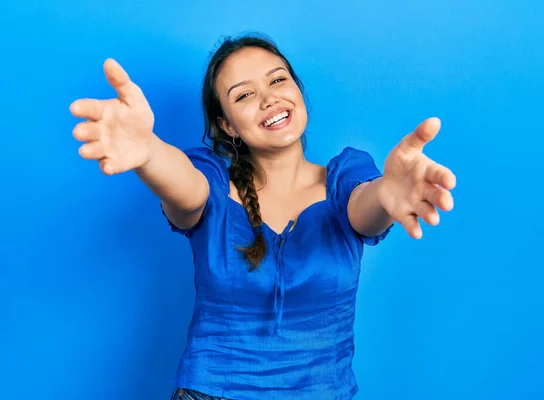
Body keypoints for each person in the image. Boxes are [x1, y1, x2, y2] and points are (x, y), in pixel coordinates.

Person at [70, 33, 456, 400]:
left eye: (278, 80)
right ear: (227, 125)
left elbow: (365, 208)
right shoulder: (212, 182)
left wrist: (387, 196)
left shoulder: (347, 179)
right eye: (245, 95)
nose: (269, 99)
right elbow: (186, 189)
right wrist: (150, 152)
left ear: (297, 90)